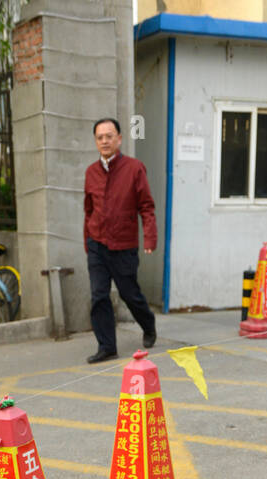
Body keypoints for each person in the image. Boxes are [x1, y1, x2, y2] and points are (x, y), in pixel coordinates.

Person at [83, 118, 158, 363]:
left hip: (124, 245)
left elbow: (146, 206)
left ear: (119, 139)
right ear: (95, 141)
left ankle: (148, 324)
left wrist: (149, 237)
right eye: (100, 137)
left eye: (109, 136)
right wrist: (87, 240)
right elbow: (89, 209)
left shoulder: (135, 168)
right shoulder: (91, 172)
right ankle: (107, 346)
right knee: (99, 295)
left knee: (129, 294)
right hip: (97, 244)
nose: (104, 141)